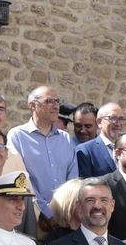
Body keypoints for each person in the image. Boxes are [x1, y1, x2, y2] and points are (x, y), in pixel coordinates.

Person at [8, 85, 79, 218]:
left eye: (57, 101)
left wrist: (65, 211)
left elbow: (73, 178)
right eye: (49, 101)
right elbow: (21, 178)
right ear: (32, 105)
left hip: (64, 216)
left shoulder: (65, 139)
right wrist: (45, 212)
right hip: (31, 214)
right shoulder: (17, 136)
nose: (56, 106)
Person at [74, 101, 126, 179]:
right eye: (113, 118)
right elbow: (84, 185)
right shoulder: (85, 151)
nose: (118, 123)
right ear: (99, 122)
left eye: (121, 119)